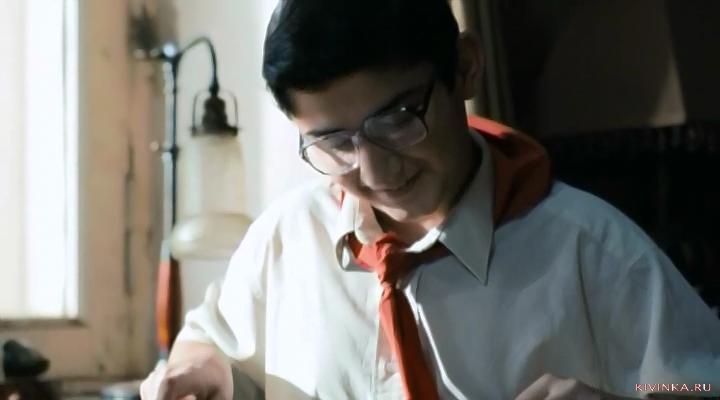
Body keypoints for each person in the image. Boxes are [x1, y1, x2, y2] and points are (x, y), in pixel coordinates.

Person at [140, 0, 720, 399]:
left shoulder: (596, 253)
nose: (375, 170)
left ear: (465, 69)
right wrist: (199, 366)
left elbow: (697, 383)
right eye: (333, 141)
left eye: (396, 119)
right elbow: (214, 343)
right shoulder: (285, 241)